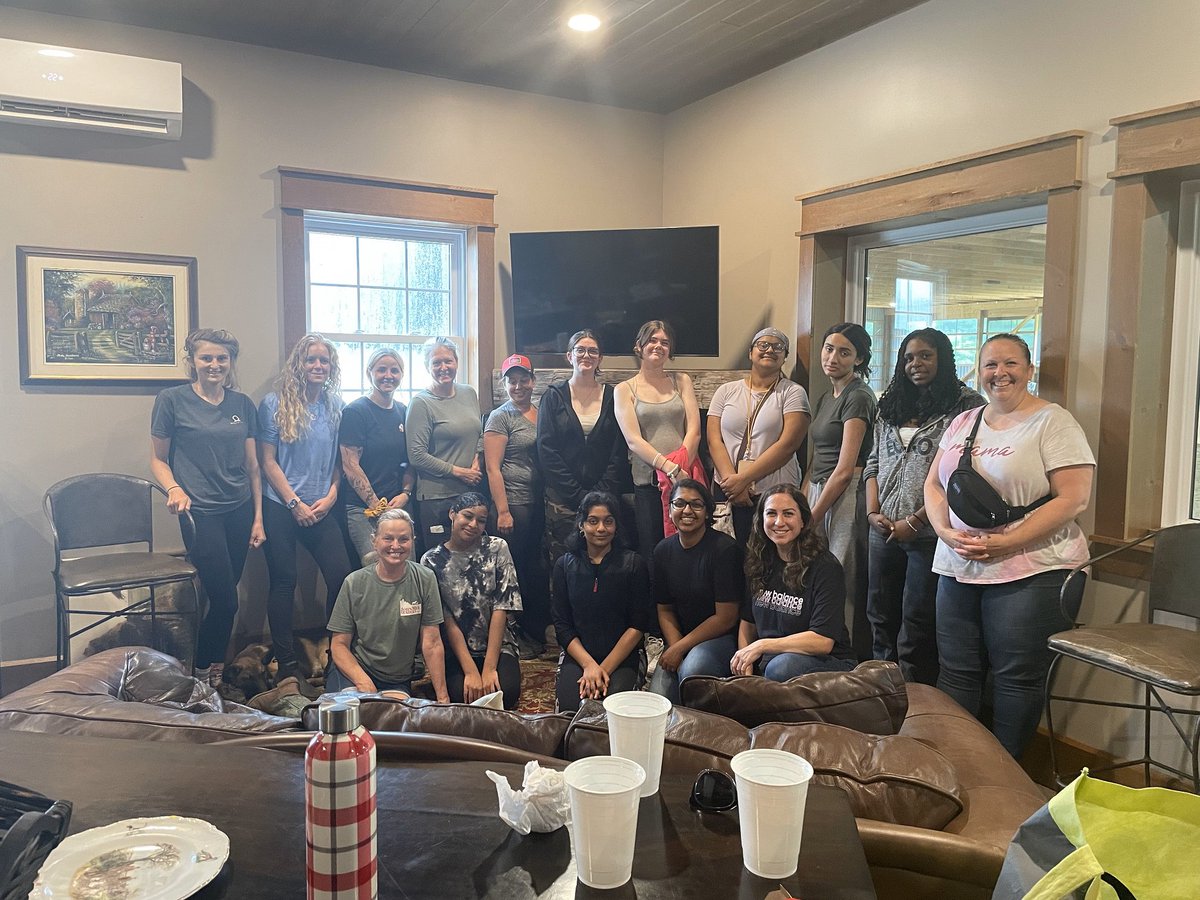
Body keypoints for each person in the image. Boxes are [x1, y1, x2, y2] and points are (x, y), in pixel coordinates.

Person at [924, 333, 1094, 759]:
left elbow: (1074, 497)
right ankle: (960, 769)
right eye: (990, 365)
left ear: (1029, 370)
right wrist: (944, 533)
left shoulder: (1054, 422)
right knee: (956, 673)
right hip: (958, 565)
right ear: (979, 372)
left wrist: (1007, 542)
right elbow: (934, 485)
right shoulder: (965, 422)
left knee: (1015, 678)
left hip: (1034, 568)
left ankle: (1005, 780)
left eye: (1011, 364)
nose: (1000, 373)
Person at [864, 328, 984, 685]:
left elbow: (960, 474)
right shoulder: (890, 403)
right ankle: (878, 690)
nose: (915, 364)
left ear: (943, 358)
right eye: (908, 357)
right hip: (882, 528)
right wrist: (872, 512)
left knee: (916, 620)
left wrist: (915, 522)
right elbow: (873, 462)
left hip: (931, 531)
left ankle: (914, 699)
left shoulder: (967, 406)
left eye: (925, 355)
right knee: (879, 615)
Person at [150, 328, 265, 687]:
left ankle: (209, 672)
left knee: (221, 598)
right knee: (226, 601)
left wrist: (259, 518)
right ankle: (203, 674)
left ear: (230, 363)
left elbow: (253, 467)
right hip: (199, 512)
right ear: (192, 361)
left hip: (240, 508)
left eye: (222, 358)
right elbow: (157, 459)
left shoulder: (242, 404)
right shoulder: (171, 400)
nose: (214, 365)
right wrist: (173, 488)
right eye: (206, 358)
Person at [258, 334, 353, 690]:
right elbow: (267, 461)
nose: (317, 366)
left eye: (324, 361)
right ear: (299, 363)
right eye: (311, 360)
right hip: (280, 504)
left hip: (321, 506)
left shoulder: (334, 405)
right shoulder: (274, 403)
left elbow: (337, 464)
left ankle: (336, 656)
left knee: (341, 576)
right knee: (284, 580)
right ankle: (286, 664)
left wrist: (330, 497)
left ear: (331, 367)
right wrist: (293, 503)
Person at [803, 322, 877, 661]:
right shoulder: (825, 396)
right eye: (829, 348)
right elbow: (816, 459)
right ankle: (817, 648)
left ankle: (845, 661)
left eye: (844, 352)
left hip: (845, 496)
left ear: (858, 359)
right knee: (818, 574)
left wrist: (812, 519)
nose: (833, 357)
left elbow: (845, 469)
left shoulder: (858, 396)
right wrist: (804, 506)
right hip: (818, 489)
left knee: (841, 575)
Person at [732, 485, 858, 680]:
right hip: (770, 660)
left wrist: (761, 645)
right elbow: (748, 624)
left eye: (788, 514)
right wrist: (745, 663)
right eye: (771, 514)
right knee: (703, 664)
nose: (779, 522)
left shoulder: (826, 567)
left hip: (826, 661)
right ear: (761, 520)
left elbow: (822, 641)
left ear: (803, 521)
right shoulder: (758, 561)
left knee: (780, 667)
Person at [326, 508, 449, 700]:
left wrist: (443, 698)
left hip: (396, 678)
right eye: (388, 538)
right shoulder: (353, 582)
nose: (395, 545)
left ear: (412, 541)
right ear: (374, 541)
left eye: (403, 539)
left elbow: (432, 643)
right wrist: (362, 681)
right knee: (352, 715)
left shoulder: (425, 578)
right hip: (354, 670)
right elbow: (339, 645)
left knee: (392, 719)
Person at [537, 330, 632, 565]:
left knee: (604, 563)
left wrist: (598, 495)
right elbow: (546, 450)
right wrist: (578, 495)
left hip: (605, 499)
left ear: (600, 358)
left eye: (593, 351)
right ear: (569, 356)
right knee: (563, 564)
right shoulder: (553, 397)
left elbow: (619, 450)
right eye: (580, 350)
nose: (586, 355)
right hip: (561, 499)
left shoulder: (614, 396)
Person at [708, 327, 810, 545]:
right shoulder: (725, 391)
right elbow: (714, 440)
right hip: (727, 491)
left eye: (778, 347)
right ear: (750, 352)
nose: (769, 350)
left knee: (771, 557)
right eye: (763, 345)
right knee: (729, 556)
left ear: (785, 357)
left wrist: (743, 479)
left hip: (774, 494)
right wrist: (733, 486)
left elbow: (788, 445)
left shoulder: (793, 392)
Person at [421, 492, 523, 709]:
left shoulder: (497, 547)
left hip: (497, 644)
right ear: (452, 514)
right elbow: (446, 619)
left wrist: (488, 668)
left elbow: (502, 607)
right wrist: (470, 670)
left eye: (481, 520)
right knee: (462, 695)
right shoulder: (431, 560)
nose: (473, 524)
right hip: (456, 648)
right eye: (467, 516)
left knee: (507, 692)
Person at [551, 492, 651, 712]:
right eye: (593, 521)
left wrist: (602, 669)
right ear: (581, 525)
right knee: (570, 709)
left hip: (622, 656)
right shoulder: (564, 565)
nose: (601, 529)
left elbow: (638, 625)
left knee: (612, 709)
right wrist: (589, 666)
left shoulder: (634, 564)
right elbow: (562, 626)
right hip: (579, 656)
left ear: (616, 526)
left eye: (608, 521)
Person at [614, 320, 702, 565]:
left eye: (664, 342)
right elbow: (633, 440)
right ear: (639, 346)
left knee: (689, 548)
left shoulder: (681, 380)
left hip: (684, 480)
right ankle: (658, 604)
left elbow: (694, 430)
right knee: (654, 553)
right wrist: (669, 468)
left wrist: (680, 471)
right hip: (648, 484)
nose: (658, 346)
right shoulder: (624, 389)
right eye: (652, 340)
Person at [648, 479, 743, 704]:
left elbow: (726, 618)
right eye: (679, 503)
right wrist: (675, 646)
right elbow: (665, 609)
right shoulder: (663, 550)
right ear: (670, 509)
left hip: (720, 638)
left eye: (696, 505)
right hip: (680, 638)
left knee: (692, 670)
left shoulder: (724, 550)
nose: (687, 510)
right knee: (657, 701)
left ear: (708, 512)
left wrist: (680, 648)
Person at [484, 353, 551, 655]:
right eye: (512, 381)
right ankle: (512, 633)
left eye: (524, 379)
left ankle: (533, 630)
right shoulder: (501, 416)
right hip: (514, 504)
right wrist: (502, 510)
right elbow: (492, 468)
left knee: (534, 569)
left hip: (538, 503)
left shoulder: (541, 412)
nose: (518, 385)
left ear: (533, 381)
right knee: (514, 571)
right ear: (506, 384)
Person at [338, 347, 415, 566]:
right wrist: (378, 507)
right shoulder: (356, 412)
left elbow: (411, 460)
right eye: (381, 370)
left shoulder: (404, 411)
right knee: (376, 569)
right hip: (363, 510)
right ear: (369, 373)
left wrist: (406, 493)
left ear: (401, 374)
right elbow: (350, 464)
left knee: (407, 567)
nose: (388, 375)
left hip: (397, 505)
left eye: (395, 370)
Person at [406, 337, 483, 554]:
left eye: (448, 361)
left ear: (457, 362)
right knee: (440, 563)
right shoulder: (421, 403)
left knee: (468, 561)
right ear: (427, 367)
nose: (443, 368)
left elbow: (478, 433)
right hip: (436, 499)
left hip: (469, 494)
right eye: (436, 363)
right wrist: (459, 472)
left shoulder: (469, 393)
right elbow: (416, 455)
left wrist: (477, 459)